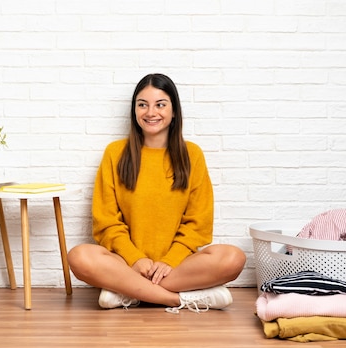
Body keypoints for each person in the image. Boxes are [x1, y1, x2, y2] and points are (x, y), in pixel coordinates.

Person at [67, 73, 246, 313]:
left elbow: (198, 223)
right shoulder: (115, 153)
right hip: (127, 263)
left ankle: (127, 292)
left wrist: (170, 261)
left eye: (160, 104)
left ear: (174, 112)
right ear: (135, 111)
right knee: (79, 257)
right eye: (143, 105)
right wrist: (135, 259)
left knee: (233, 258)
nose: (151, 112)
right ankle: (178, 299)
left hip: (178, 265)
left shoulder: (192, 154)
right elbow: (106, 221)